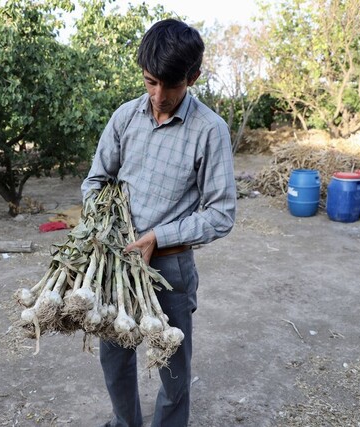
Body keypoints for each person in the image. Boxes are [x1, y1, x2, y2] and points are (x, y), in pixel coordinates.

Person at [81, 18, 237, 427]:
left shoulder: (210, 130)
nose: (159, 96)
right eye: (151, 82)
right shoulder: (126, 117)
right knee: (114, 356)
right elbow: (97, 180)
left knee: (172, 367)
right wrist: (103, 223)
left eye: (171, 85)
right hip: (116, 261)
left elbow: (222, 215)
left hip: (170, 266)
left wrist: (158, 236)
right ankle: (124, 423)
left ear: (193, 77)